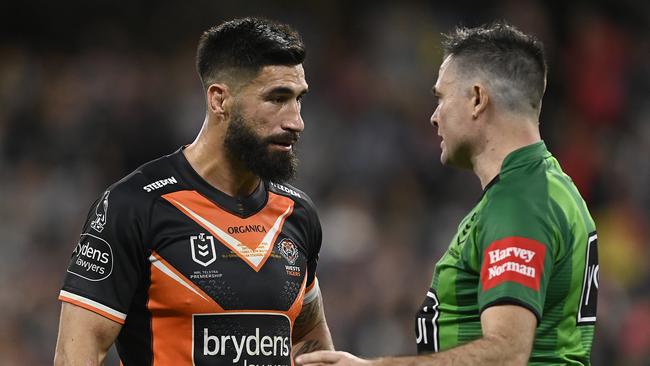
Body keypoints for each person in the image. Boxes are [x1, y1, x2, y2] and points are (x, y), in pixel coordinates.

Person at [297, 22, 598, 366]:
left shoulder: (519, 202)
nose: (434, 117)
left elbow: (507, 352)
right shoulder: (549, 187)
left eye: (441, 98)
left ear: (477, 99)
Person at [54, 17, 334, 365]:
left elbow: (310, 340)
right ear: (220, 100)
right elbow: (76, 354)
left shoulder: (298, 214)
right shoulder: (135, 206)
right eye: (277, 99)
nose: (296, 121)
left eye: (298, 99)